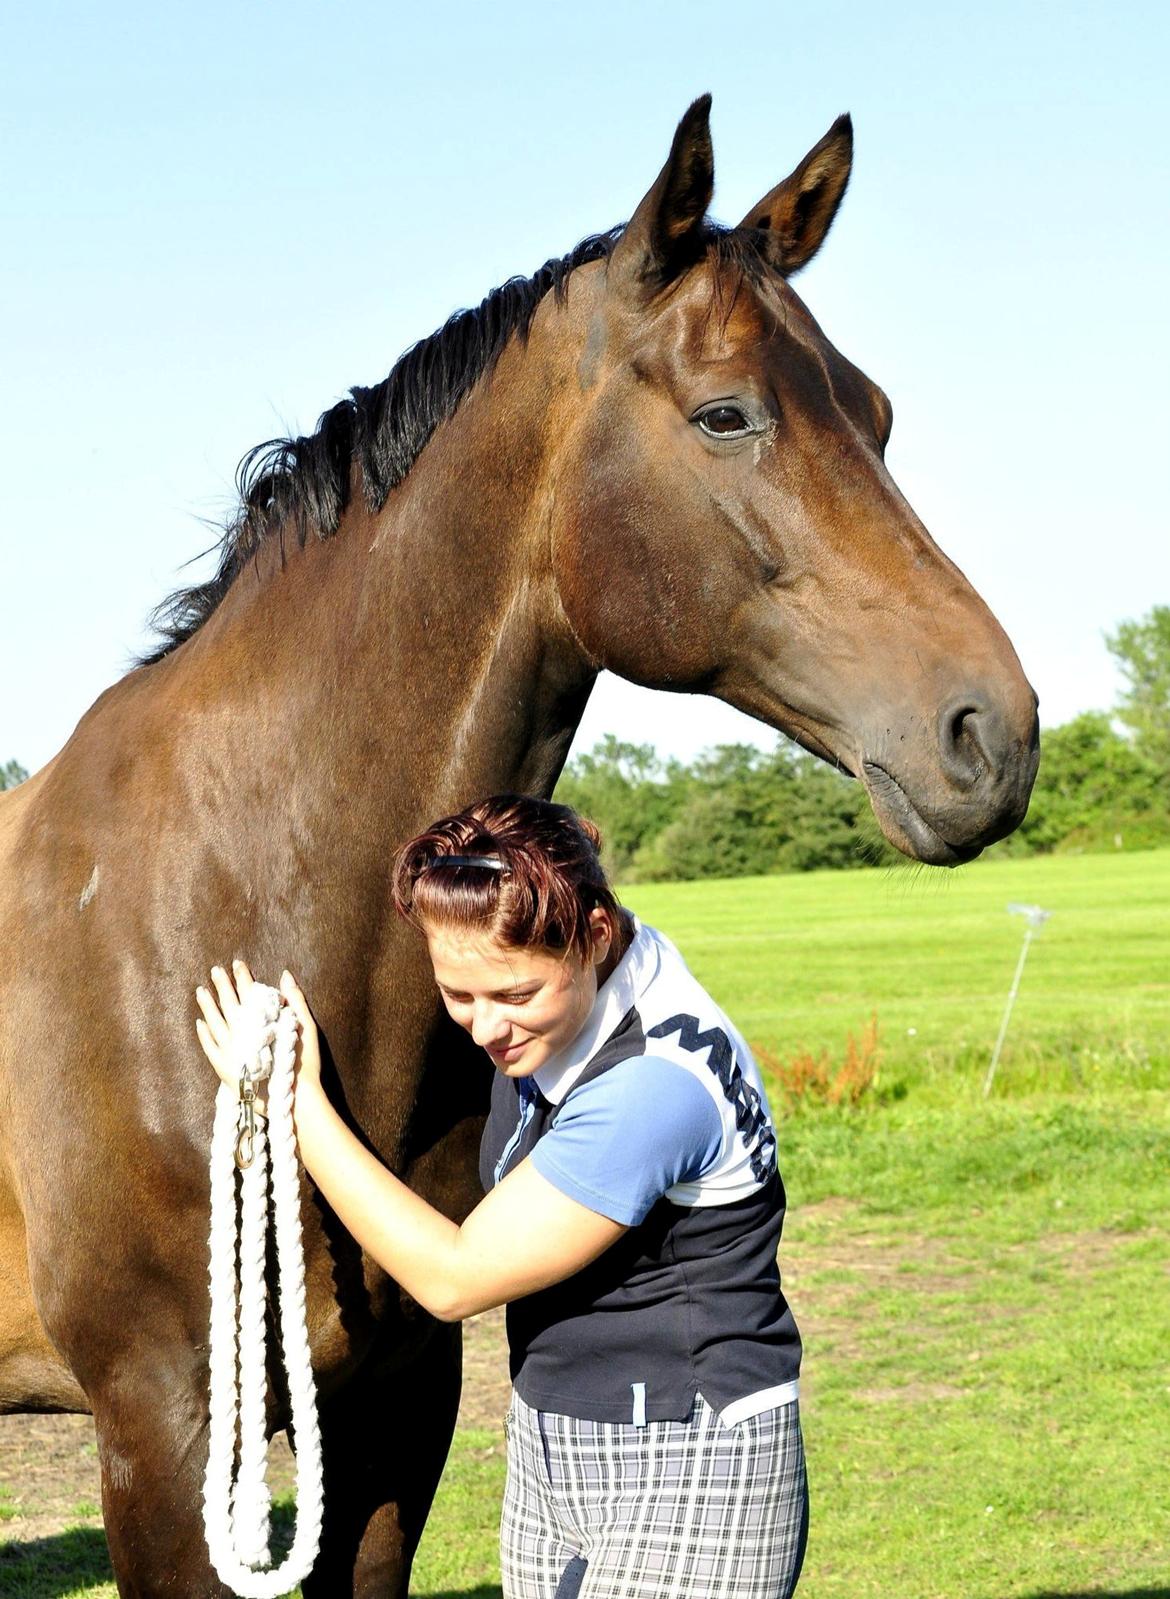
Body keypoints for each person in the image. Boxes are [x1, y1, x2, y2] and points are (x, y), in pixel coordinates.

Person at [195, 793, 807, 1599]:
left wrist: (300, 1101)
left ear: (594, 932)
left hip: (691, 1458)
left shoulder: (650, 1089)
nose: (486, 1028)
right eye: (460, 994)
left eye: (515, 994)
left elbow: (454, 1278)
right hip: (558, 1439)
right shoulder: (603, 975)